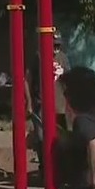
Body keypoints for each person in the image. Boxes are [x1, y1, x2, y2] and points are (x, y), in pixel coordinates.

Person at [25, 30, 71, 176]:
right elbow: (27, 79)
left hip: (61, 106)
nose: (56, 49)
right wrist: (29, 102)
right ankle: (44, 166)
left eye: (58, 46)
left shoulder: (63, 57)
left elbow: (69, 79)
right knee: (40, 137)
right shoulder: (39, 57)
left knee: (61, 138)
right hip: (42, 105)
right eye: (54, 45)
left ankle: (60, 167)